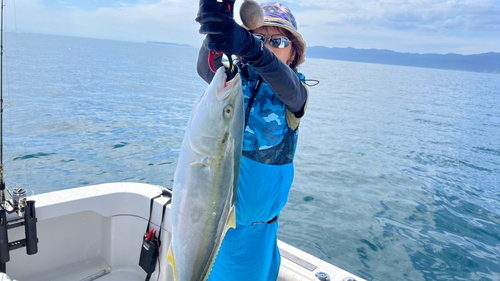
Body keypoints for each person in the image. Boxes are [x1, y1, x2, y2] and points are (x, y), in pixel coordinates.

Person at [196, 1, 309, 280]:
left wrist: (251, 47)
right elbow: (204, 66)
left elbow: (290, 89)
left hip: (254, 235)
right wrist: (218, 26)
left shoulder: (295, 91)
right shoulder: (232, 79)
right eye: (258, 37)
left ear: (293, 54)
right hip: (211, 222)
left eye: (278, 41)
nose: (267, 46)